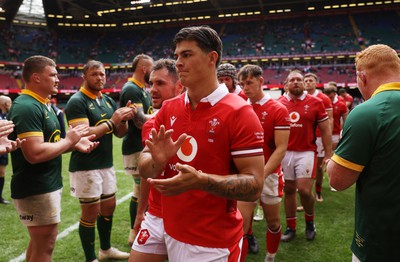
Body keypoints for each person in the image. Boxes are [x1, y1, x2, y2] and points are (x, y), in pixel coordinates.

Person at [138, 25, 265, 261]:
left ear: (211, 58)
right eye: (176, 56)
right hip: (168, 225)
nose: (178, 62)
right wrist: (156, 162)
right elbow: (144, 166)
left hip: (212, 240)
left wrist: (202, 181)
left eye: (186, 55)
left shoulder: (240, 112)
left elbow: (255, 184)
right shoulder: (168, 108)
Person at [8, 55, 98, 262]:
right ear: (36, 77)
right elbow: (34, 153)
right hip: (35, 187)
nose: (58, 79)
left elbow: (50, 144)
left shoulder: (43, 104)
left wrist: (73, 143)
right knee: (45, 246)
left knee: (39, 243)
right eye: (53, 74)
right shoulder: (27, 106)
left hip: (45, 184)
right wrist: (70, 141)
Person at [327, 44, 400, 261]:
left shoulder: (367, 112)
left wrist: (333, 156)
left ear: (362, 77)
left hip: (383, 238)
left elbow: (337, 181)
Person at [64, 60, 134, 262]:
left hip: (105, 164)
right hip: (85, 166)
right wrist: (113, 121)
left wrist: (124, 118)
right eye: (95, 74)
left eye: (102, 74)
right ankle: (90, 258)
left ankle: (105, 249)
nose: (100, 78)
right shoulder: (77, 101)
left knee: (109, 206)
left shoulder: (108, 101)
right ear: (84, 77)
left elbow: (120, 134)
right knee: (90, 212)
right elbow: (84, 134)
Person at [129, 58, 184, 262]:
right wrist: (141, 212)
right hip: (158, 211)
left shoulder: (196, 117)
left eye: (160, 83)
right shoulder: (152, 124)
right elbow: (149, 174)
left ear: (179, 86)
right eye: (151, 83)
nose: (152, 89)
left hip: (188, 214)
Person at [238, 64, 290, 262]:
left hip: (270, 176)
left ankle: (270, 257)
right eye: (242, 84)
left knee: (274, 221)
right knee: (241, 223)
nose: (245, 88)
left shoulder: (278, 109)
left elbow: (281, 148)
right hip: (244, 176)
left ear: (261, 81)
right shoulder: (240, 106)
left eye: (249, 83)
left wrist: (261, 174)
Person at [278, 70, 332, 242]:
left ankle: (310, 222)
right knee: (288, 190)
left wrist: (328, 152)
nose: (296, 82)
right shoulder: (278, 103)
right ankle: (291, 227)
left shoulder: (315, 102)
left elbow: (325, 129)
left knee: (303, 190)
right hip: (284, 152)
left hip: (307, 151)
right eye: (292, 80)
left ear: (303, 83)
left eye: (299, 80)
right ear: (286, 84)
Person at [217, 62, 258, 254]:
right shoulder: (214, 96)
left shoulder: (243, 97)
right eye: (221, 79)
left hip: (242, 150)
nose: (224, 82)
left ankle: (248, 233)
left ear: (233, 79)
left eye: (227, 79)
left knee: (245, 197)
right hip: (222, 151)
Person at [119, 54, 154, 246]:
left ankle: (138, 229)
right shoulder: (131, 89)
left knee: (142, 190)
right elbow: (140, 121)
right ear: (143, 69)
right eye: (152, 67)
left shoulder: (141, 89)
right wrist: (161, 115)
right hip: (135, 146)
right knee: (141, 191)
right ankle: (135, 231)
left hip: (142, 145)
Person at [303, 73, 333, 203]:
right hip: (305, 137)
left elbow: (330, 118)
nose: (308, 83)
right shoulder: (300, 97)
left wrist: (328, 135)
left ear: (316, 83)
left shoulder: (323, 98)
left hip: (320, 137)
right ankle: (305, 194)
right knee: (305, 167)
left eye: (311, 80)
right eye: (306, 80)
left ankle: (318, 191)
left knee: (319, 167)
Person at [323, 86, 348, 150]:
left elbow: (346, 119)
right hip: (321, 133)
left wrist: (342, 132)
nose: (329, 99)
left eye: (331, 97)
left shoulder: (341, 104)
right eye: (327, 97)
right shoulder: (321, 103)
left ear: (335, 94)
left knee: (332, 152)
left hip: (335, 133)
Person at [0, 95, 12, 204]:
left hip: (4, 148)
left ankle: (0, 197)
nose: (11, 105)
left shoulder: (10, 116)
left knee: (2, 173)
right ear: (4, 104)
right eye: (9, 103)